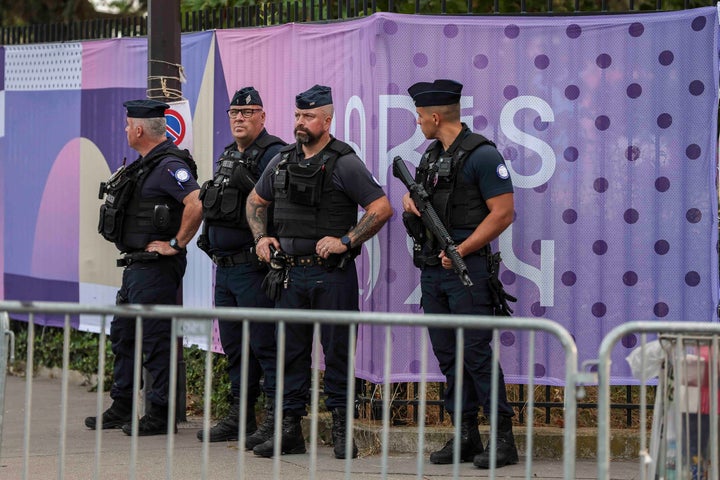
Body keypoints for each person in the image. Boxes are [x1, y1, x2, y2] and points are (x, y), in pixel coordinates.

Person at [246, 84, 392, 459]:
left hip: (331, 275)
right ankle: (291, 432)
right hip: (290, 276)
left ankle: (344, 434)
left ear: (327, 120)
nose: (300, 122)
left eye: (308, 116)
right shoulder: (280, 159)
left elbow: (380, 208)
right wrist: (262, 238)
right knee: (289, 357)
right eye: (297, 115)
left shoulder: (344, 161)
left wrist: (346, 239)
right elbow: (255, 201)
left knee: (338, 354)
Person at [401, 79, 518, 468]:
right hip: (433, 272)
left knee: (477, 354)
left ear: (436, 117)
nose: (418, 123)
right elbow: (414, 194)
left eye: (420, 117)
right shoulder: (430, 156)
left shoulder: (483, 155)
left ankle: (502, 440)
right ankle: (465, 435)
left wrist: (463, 250)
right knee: (449, 356)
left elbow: (503, 213)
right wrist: (410, 201)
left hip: (468, 270)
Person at [88, 98, 202, 436]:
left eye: (127, 125)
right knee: (124, 335)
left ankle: (160, 414)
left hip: (155, 268)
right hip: (136, 267)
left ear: (138, 129)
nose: (126, 130)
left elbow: (196, 203)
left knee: (154, 340)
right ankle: (122, 405)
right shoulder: (145, 164)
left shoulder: (169, 165)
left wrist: (176, 244)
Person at [195, 87, 286, 445]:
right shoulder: (228, 153)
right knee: (234, 347)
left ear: (262, 116)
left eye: (248, 112)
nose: (239, 118)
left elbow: (275, 204)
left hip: (254, 268)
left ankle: (276, 422)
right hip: (226, 269)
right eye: (234, 112)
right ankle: (240, 417)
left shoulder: (274, 154)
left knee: (265, 346)